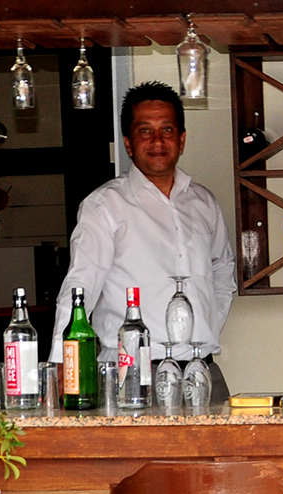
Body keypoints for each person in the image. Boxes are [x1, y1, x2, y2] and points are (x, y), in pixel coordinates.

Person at [52, 81, 235, 402]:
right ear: (128, 143)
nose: (157, 141)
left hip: (201, 371)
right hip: (131, 375)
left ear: (182, 139)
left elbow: (223, 273)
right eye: (145, 130)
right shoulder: (104, 205)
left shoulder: (203, 202)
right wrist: (62, 363)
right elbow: (80, 287)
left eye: (167, 129)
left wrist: (202, 330)